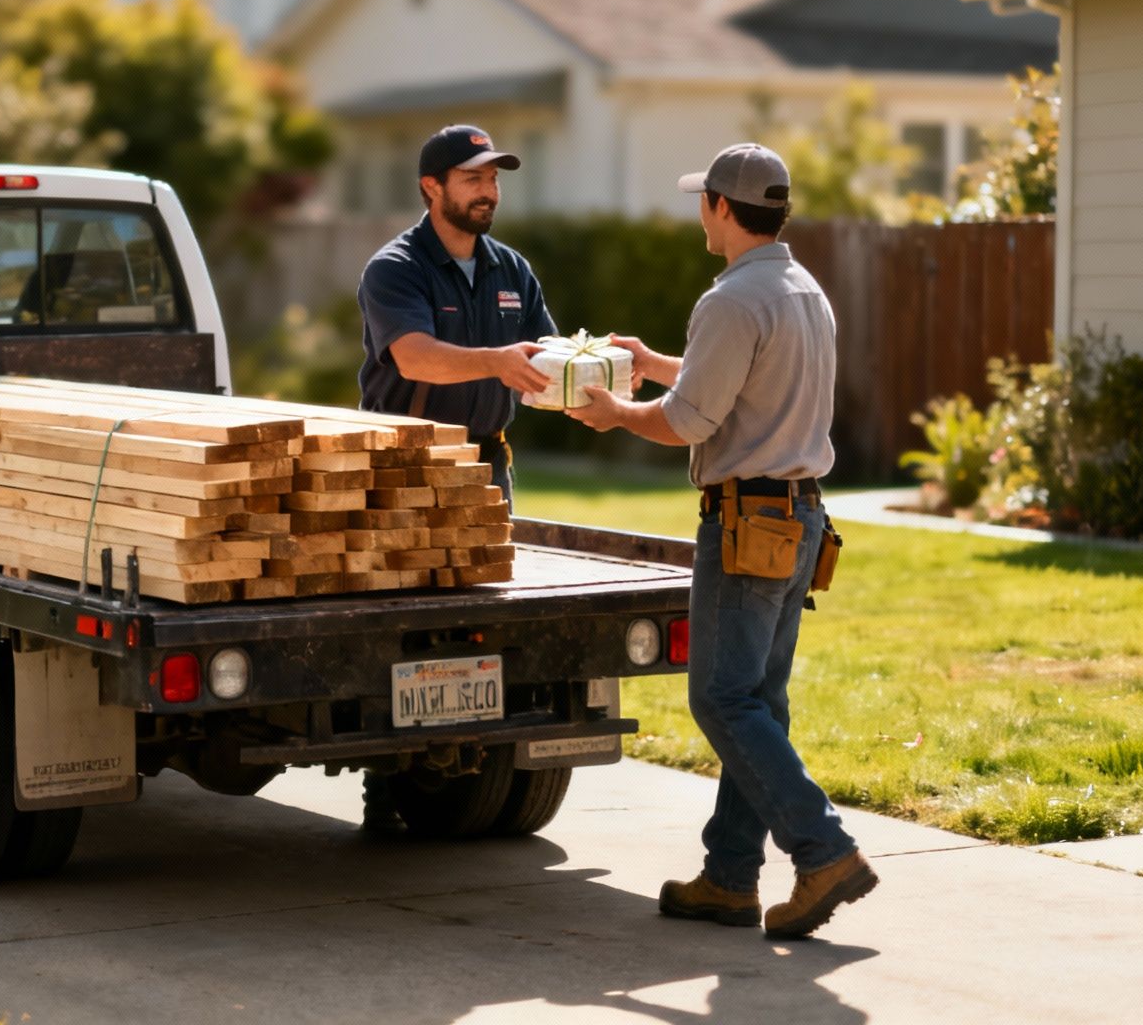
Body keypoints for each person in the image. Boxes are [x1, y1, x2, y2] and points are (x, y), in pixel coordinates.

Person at [567, 143, 877, 940]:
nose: (698, 210)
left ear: (722, 209)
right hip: (799, 519)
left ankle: (825, 850)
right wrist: (652, 362)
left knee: (722, 697)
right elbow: (733, 381)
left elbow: (687, 419)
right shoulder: (801, 290)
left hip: (747, 525)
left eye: (702, 198)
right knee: (759, 700)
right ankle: (731, 879)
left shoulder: (733, 299)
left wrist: (613, 413)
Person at [355, 124, 556, 507]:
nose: (489, 192)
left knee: (496, 570)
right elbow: (415, 359)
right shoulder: (395, 267)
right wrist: (497, 362)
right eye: (473, 179)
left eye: (493, 179)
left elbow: (547, 358)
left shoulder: (513, 268)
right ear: (432, 187)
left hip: (488, 467)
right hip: (406, 466)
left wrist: (601, 371)